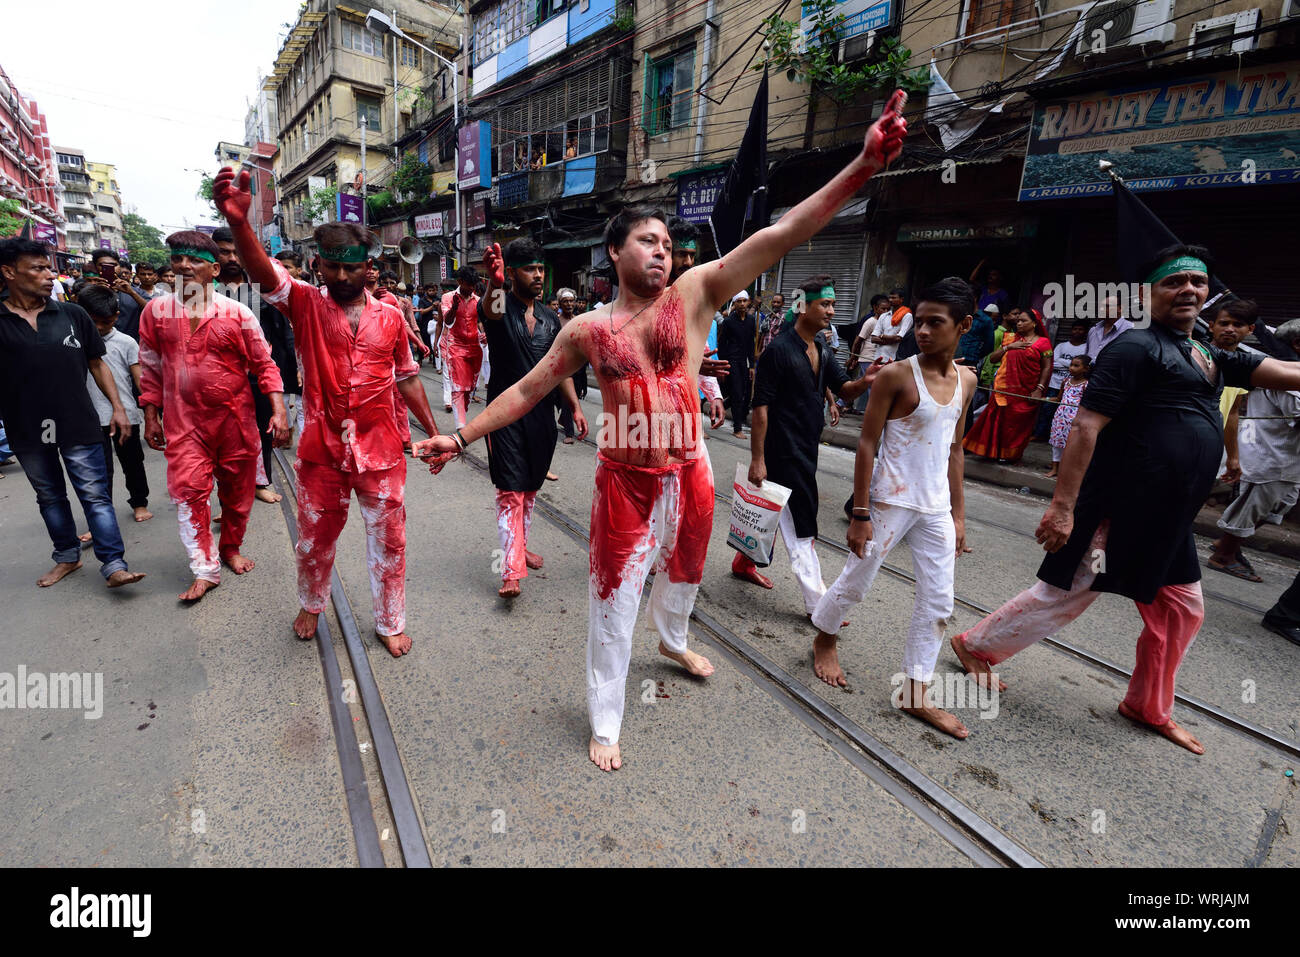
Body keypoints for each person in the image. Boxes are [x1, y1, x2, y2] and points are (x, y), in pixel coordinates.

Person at [415, 90, 909, 771]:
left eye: (668, 242)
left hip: (690, 469)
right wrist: (461, 436)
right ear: (613, 251)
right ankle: (607, 715)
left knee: (683, 572)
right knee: (614, 601)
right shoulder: (587, 329)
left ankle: (673, 638)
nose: (663, 251)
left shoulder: (698, 292)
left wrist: (862, 166)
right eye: (648, 240)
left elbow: (783, 233)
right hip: (625, 481)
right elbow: (527, 389)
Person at [951, 244, 1300, 754]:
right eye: (1173, 281)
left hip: (1169, 516)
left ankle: (1147, 705)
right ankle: (975, 646)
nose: (1188, 290)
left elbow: (1288, 374)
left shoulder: (1206, 350)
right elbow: (1086, 427)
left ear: (1208, 294)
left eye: (1197, 282)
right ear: (1147, 293)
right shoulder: (1135, 348)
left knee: (1182, 609)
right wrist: (1063, 507)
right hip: (1121, 509)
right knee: (1070, 591)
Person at [214, 165, 452, 657]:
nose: (341, 276)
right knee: (315, 540)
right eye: (331, 266)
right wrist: (240, 225)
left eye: (351, 266)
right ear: (318, 264)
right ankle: (311, 601)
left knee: (390, 542)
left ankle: (390, 620)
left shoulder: (390, 317)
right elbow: (265, 275)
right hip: (320, 451)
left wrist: (432, 433)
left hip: (382, 452)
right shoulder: (303, 303)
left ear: (370, 265)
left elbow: (407, 376)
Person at [811, 277, 977, 739]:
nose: (922, 331)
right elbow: (866, 444)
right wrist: (860, 514)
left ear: (963, 325)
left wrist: (959, 516)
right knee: (857, 581)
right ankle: (825, 636)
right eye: (918, 322)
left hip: (935, 508)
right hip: (888, 500)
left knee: (940, 600)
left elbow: (956, 450)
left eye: (934, 323)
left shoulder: (967, 379)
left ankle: (915, 690)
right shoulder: (896, 376)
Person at [139, 230, 289, 603]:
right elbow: (151, 368)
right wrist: (151, 415)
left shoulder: (237, 312)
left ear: (215, 269)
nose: (184, 267)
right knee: (189, 492)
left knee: (237, 496)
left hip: (236, 424)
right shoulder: (155, 312)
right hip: (184, 425)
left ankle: (230, 549)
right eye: (178, 259)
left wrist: (279, 409)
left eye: (194, 260)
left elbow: (264, 365)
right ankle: (203, 569)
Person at [0, 238, 146, 588]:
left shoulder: (72, 314)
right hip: (27, 427)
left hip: (76, 421)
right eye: (38, 268)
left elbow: (97, 364)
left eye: (48, 267)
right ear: (8, 272)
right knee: (49, 495)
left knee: (94, 495)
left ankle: (113, 564)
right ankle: (66, 557)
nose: (50, 275)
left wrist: (118, 408)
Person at [732, 275, 873, 611]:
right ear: (802, 306)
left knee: (773, 513)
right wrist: (758, 459)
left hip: (807, 444)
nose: (831, 310)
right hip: (781, 450)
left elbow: (844, 388)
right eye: (825, 303)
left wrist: (867, 380)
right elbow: (760, 408)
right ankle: (818, 603)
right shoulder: (777, 352)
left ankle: (743, 563)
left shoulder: (822, 349)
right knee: (801, 522)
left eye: (833, 303)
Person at [477, 240, 587, 597]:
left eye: (541, 268)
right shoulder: (499, 307)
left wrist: (574, 407)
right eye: (529, 268)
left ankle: (520, 548)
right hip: (503, 414)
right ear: (512, 273)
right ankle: (510, 570)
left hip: (542, 416)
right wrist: (494, 282)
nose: (538, 275)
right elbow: (490, 311)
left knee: (529, 490)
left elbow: (561, 369)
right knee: (510, 490)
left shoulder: (551, 318)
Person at [1207, 317, 1300, 582]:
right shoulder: (1285, 376)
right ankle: (1224, 555)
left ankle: (1225, 544)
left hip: (1287, 459)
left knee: (1277, 506)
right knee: (1252, 508)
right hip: (1269, 454)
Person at [76, 284, 151, 522]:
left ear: (116, 317)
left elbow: (140, 380)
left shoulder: (126, 342)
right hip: (88, 416)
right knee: (97, 472)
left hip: (125, 415)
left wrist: (151, 411)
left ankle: (139, 502)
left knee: (132, 464)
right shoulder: (74, 342)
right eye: (93, 321)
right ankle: (101, 517)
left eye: (105, 322)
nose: (98, 328)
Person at [963, 307, 1052, 463]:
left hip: (1026, 391)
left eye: (1024, 321)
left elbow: (1046, 367)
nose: (1019, 323)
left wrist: (1040, 389)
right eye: (1018, 320)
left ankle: (1009, 455)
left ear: (1034, 324)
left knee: (1017, 425)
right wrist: (1008, 347)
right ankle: (991, 452)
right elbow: (993, 359)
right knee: (997, 421)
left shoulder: (1043, 343)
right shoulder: (1010, 338)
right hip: (1004, 389)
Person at [1208, 297, 1257, 488]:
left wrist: (1233, 457)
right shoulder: (1194, 354)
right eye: (1224, 323)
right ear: (1212, 326)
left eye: (1238, 324)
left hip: (1210, 444)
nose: (1230, 329)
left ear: (1250, 329)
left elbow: (1232, 414)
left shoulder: (1242, 367)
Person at [438, 265, 483, 428]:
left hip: (475, 348)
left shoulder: (478, 301)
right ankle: (460, 427)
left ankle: (461, 415)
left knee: (469, 388)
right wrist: (455, 307)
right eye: (468, 284)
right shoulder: (448, 298)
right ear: (460, 281)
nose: (471, 288)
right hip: (455, 347)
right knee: (458, 387)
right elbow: (447, 322)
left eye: (474, 285)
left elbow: (481, 322)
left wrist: (484, 335)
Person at [1034, 319, 1089, 440]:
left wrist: (1062, 361)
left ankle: (1059, 436)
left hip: (1073, 386)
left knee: (1066, 412)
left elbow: (1060, 362)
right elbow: (1053, 363)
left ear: (1085, 332)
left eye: (1080, 329)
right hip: (1055, 383)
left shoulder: (1086, 348)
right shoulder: (1062, 345)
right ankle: (1040, 435)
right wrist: (1070, 363)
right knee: (1047, 410)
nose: (1077, 332)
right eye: (1075, 329)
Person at [1045, 353, 1091, 479]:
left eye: (1076, 366)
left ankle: (1066, 470)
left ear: (1086, 369)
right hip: (1060, 417)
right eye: (1071, 365)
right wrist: (1045, 398)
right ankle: (1055, 468)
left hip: (1075, 419)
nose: (1071, 368)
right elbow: (1059, 398)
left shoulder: (1086, 385)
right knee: (1057, 443)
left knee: (1071, 444)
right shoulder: (1065, 381)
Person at [717, 291, 757, 436]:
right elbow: (722, 345)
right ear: (734, 303)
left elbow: (751, 344)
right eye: (738, 301)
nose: (741, 304)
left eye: (744, 301)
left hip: (744, 362)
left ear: (748, 302)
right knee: (737, 392)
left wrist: (752, 365)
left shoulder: (751, 320)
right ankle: (737, 429)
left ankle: (719, 407)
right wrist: (722, 365)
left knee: (744, 393)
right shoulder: (728, 322)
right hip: (731, 360)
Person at [90, 248, 147, 341]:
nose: (111, 268)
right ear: (96, 267)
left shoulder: (137, 292)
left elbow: (151, 311)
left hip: (132, 344)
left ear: (119, 267)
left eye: (114, 265)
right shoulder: (88, 292)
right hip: (98, 345)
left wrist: (132, 293)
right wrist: (96, 291)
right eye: (103, 265)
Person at [555, 287, 586, 444]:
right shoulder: (556, 320)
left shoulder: (579, 320)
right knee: (564, 398)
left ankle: (565, 421)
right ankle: (569, 432)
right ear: (560, 303)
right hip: (560, 365)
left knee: (572, 397)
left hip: (577, 366)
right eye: (565, 301)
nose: (569, 304)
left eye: (571, 301)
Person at [1085, 294, 1132, 360]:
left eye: (1107, 306)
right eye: (1100, 306)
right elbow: (1086, 357)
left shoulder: (1131, 330)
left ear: (1120, 308)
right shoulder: (1093, 330)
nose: (1101, 309)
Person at [872, 287, 911, 361]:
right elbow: (873, 339)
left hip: (893, 359)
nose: (890, 300)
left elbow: (899, 338)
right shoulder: (884, 316)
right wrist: (891, 339)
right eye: (889, 297)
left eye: (893, 298)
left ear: (901, 299)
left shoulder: (907, 316)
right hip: (878, 358)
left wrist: (882, 336)